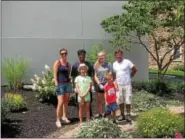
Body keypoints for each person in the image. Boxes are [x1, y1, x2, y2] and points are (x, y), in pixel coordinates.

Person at [113, 49, 137, 122]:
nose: (118, 56)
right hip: (119, 85)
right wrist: (115, 83)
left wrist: (130, 77)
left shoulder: (127, 62)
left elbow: (135, 69)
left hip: (127, 85)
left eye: (120, 55)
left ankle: (128, 115)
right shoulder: (114, 64)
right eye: (117, 55)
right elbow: (114, 74)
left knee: (128, 100)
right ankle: (122, 115)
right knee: (120, 100)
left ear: (122, 55)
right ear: (115, 56)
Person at [71, 49, 94, 117]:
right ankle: (81, 118)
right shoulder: (75, 65)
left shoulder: (89, 64)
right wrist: (74, 87)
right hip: (79, 87)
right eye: (80, 56)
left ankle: (89, 116)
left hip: (87, 86)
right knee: (79, 102)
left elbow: (92, 75)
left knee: (88, 101)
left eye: (83, 56)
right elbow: (73, 77)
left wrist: (91, 86)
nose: (82, 57)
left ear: (85, 56)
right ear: (78, 56)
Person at [53, 48, 73, 128]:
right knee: (60, 102)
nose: (64, 54)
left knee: (66, 102)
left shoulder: (68, 64)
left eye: (65, 53)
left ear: (67, 54)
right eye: (62, 53)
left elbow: (70, 73)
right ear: (60, 54)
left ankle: (64, 117)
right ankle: (58, 120)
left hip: (67, 84)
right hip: (60, 85)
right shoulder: (57, 62)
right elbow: (54, 75)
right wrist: (56, 84)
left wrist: (71, 80)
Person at [94, 51, 113, 118]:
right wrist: (99, 84)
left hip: (107, 84)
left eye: (102, 56)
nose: (101, 57)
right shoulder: (96, 65)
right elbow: (95, 76)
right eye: (100, 56)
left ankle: (107, 113)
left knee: (107, 100)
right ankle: (100, 113)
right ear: (98, 57)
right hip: (99, 84)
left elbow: (110, 73)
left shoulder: (109, 64)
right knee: (99, 100)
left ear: (105, 56)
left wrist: (107, 82)